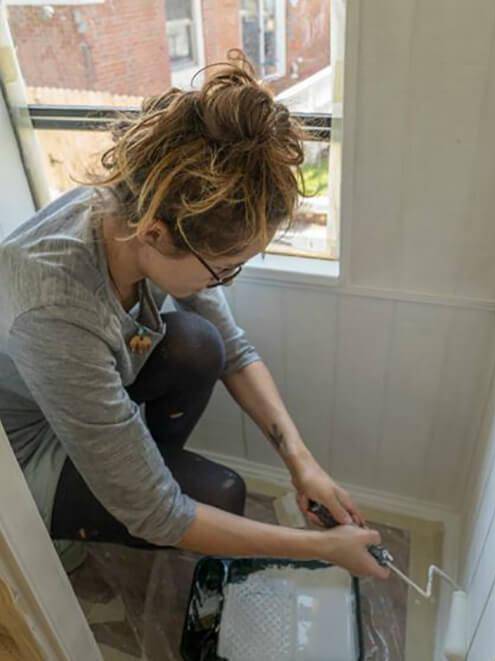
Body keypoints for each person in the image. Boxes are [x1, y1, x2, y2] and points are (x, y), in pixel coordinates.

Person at [0, 52, 388, 579]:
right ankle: (73, 514)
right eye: (224, 269)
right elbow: (161, 515)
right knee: (222, 496)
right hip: (21, 454)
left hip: (78, 402)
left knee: (202, 344)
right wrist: (323, 549)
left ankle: (125, 472)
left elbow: (235, 350)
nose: (224, 282)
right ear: (155, 234)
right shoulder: (56, 306)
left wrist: (303, 462)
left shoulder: (143, 205)